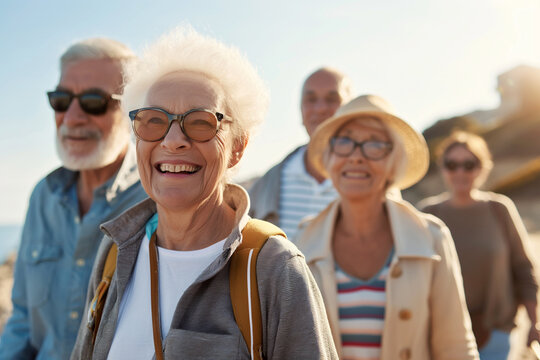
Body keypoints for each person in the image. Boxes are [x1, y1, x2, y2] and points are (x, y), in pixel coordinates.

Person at [71, 27, 338, 360]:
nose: (172, 141)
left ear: (237, 148)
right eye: (153, 120)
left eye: (200, 122)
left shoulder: (275, 269)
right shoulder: (114, 251)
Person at [295, 95, 479, 359]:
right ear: (330, 157)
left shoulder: (431, 238)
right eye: (344, 142)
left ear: (394, 161)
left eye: (374, 144)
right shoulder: (300, 243)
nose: (356, 157)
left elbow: (456, 348)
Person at [0, 38, 148, 359]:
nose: (72, 117)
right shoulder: (43, 196)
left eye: (94, 101)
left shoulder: (155, 199)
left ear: (131, 110)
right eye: (62, 100)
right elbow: (23, 320)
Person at [418, 131, 539, 359]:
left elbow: (524, 269)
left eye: (469, 164)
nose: (460, 172)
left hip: (496, 334)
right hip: (441, 333)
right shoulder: (427, 214)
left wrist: (535, 323)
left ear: (482, 167)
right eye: (452, 164)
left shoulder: (499, 209)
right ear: (442, 168)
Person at [248, 67, 353, 240]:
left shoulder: (372, 180)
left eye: (332, 99)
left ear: (350, 107)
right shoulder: (268, 184)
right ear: (301, 109)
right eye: (311, 99)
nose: (320, 108)